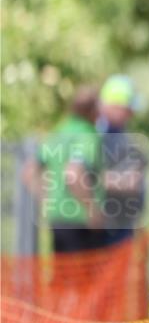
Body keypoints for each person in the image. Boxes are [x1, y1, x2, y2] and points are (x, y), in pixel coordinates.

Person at [21, 86, 107, 253]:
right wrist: (92, 210)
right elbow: (73, 173)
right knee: (88, 270)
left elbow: (29, 172)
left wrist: (47, 201)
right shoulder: (87, 134)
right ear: (93, 110)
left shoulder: (58, 132)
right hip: (81, 222)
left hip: (58, 219)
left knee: (62, 269)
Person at [97, 74, 147, 245]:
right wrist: (125, 182)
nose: (131, 115)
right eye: (127, 109)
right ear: (113, 106)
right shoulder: (97, 135)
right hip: (104, 227)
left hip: (122, 226)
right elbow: (89, 178)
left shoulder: (122, 135)